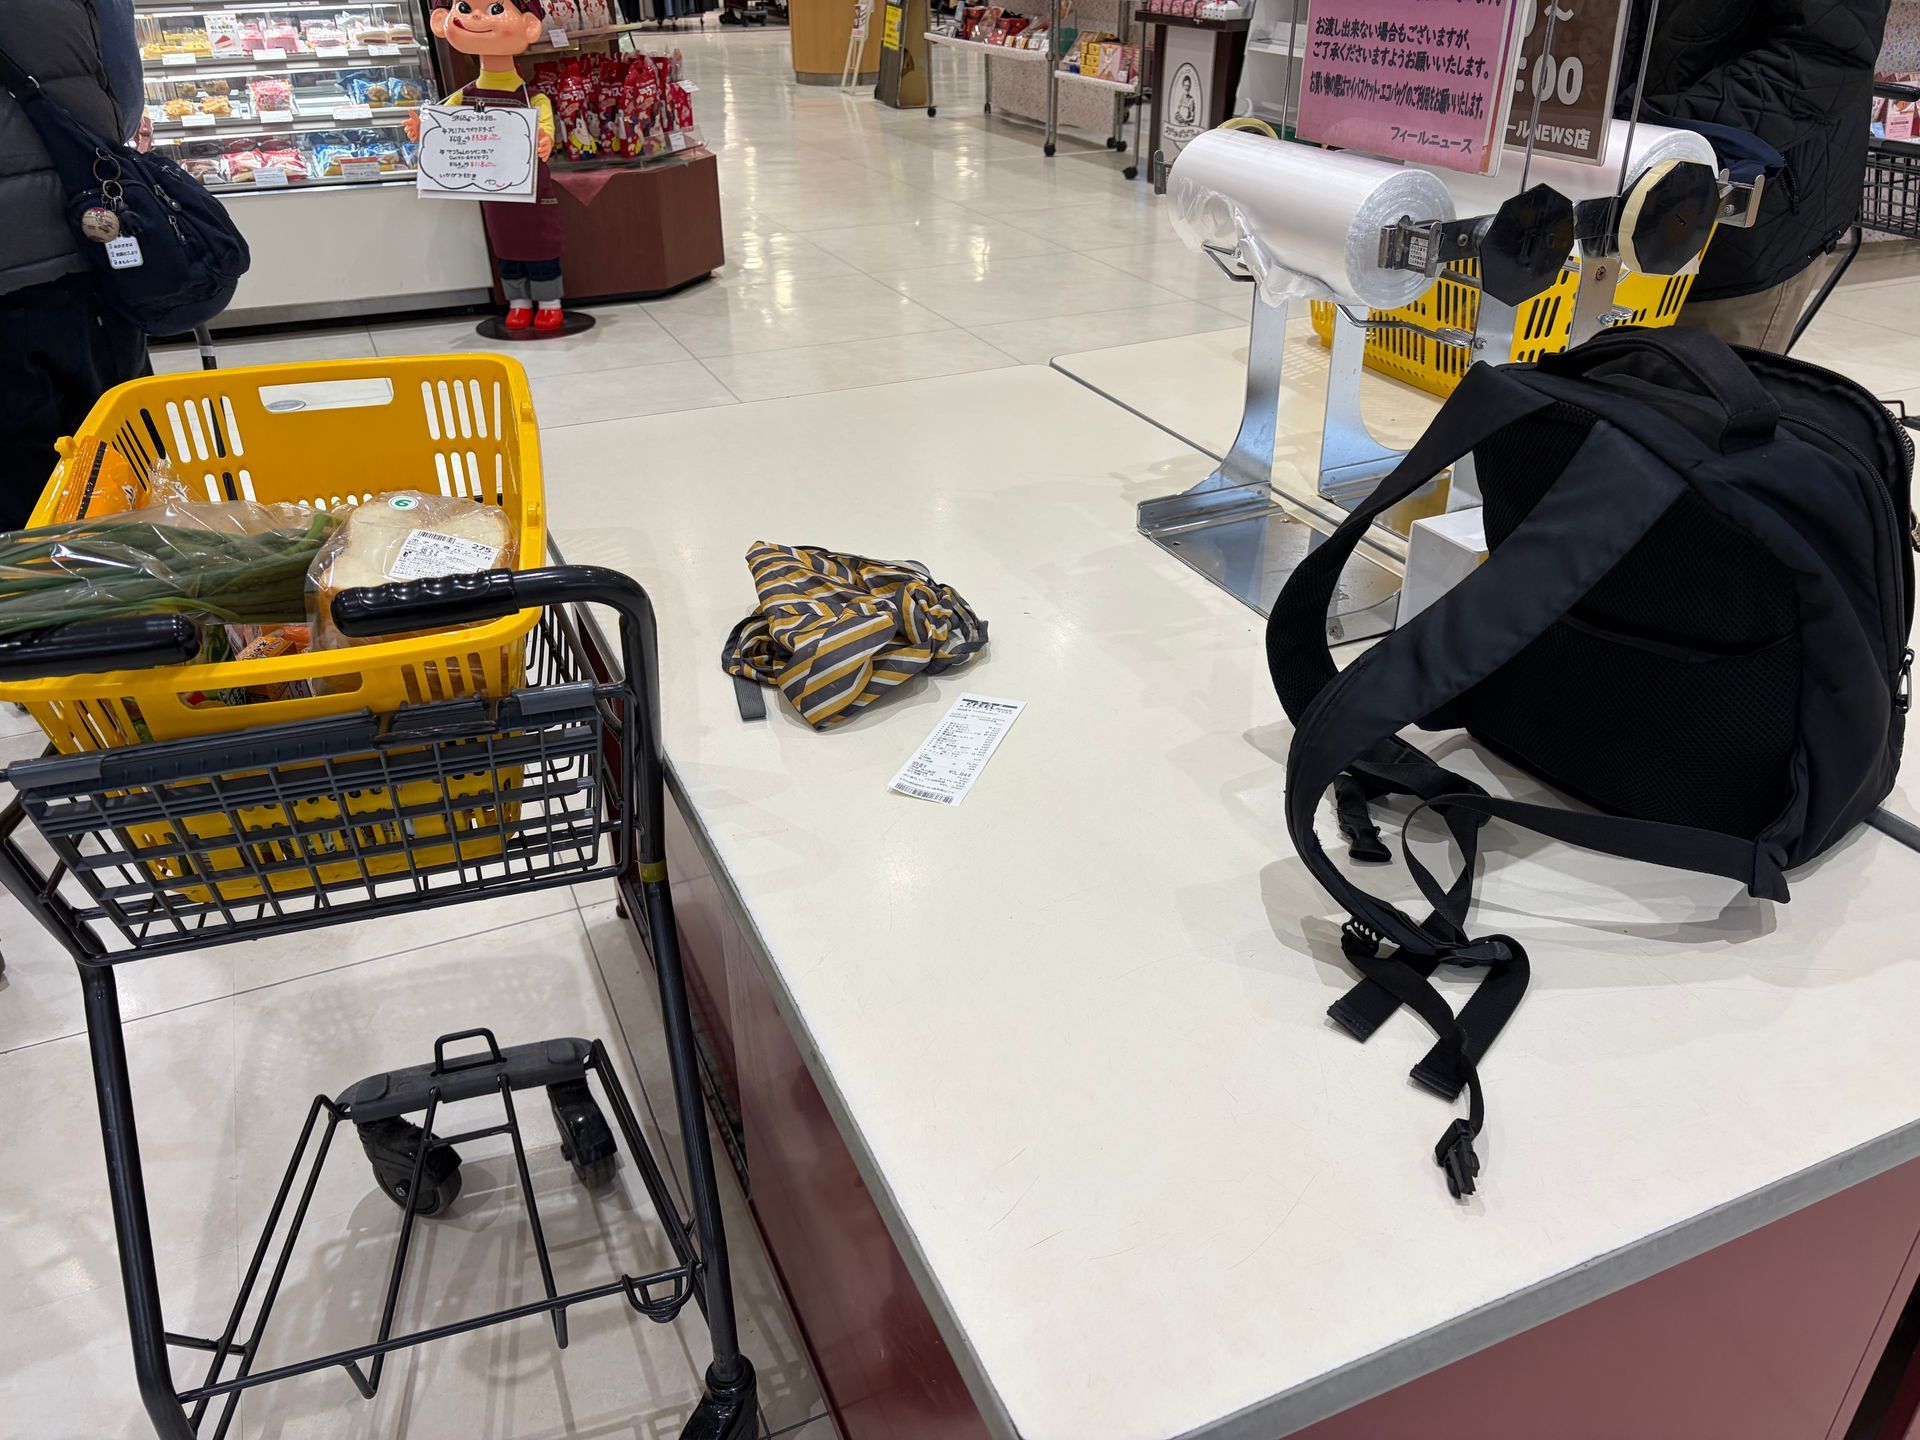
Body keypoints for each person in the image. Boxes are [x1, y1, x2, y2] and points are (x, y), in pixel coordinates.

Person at [1620, 0, 1891, 352]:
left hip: (1747, 221)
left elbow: (1822, 59)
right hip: (1613, 195)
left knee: (1696, 378)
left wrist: (1654, 133)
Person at [0, 0, 148, 530]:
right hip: (81, 243)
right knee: (110, 439)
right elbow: (123, 107)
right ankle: (129, 566)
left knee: (18, 473)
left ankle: (32, 572)